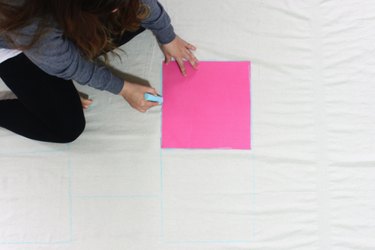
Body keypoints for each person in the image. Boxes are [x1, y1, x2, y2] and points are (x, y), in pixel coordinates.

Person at [0, 0, 198, 143]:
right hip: (13, 43)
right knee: (66, 127)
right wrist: (124, 88)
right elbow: (69, 65)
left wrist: (167, 36)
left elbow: (138, 6)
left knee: (133, 20)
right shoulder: (30, 19)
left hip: (59, 23)